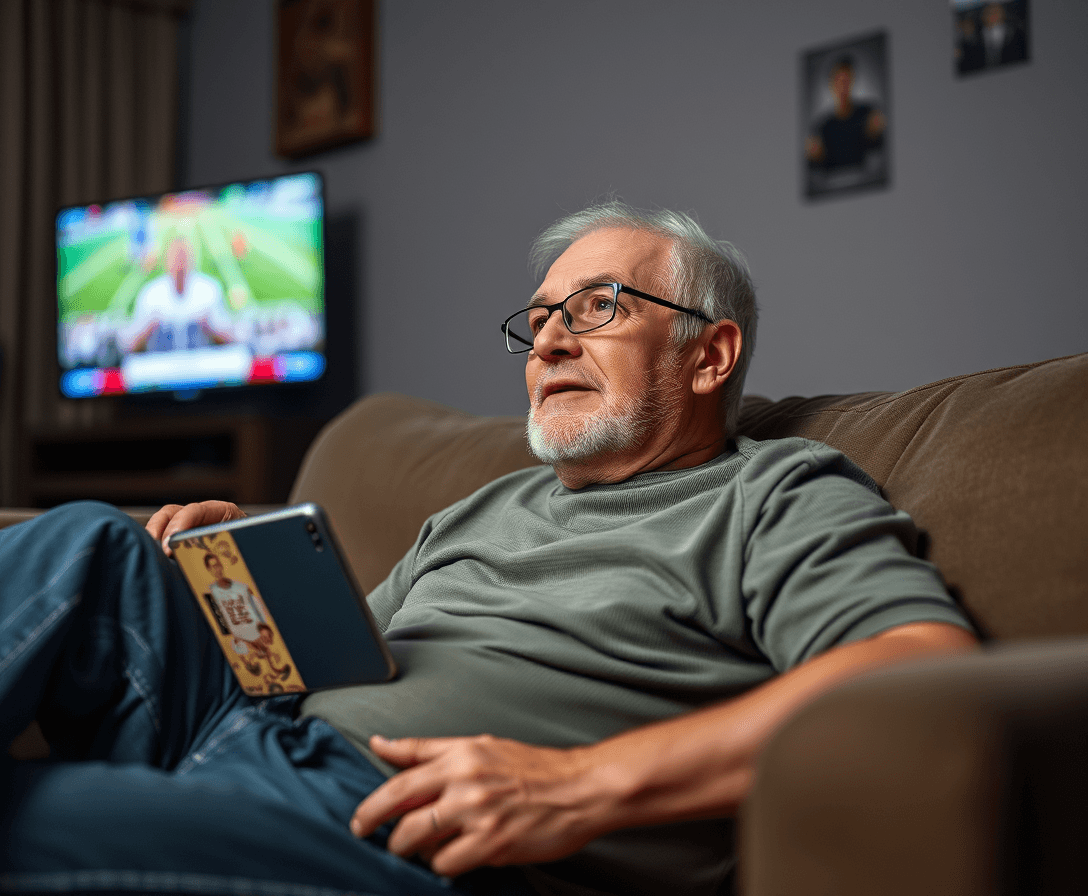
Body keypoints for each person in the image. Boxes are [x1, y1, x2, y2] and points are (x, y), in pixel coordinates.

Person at [0, 202, 977, 896]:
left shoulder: (773, 491)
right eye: (540, 318)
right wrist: (222, 587)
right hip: (252, 738)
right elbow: (321, 671)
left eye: (595, 307)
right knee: (96, 540)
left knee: (30, 818)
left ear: (708, 354)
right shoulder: (489, 505)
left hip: (407, 833)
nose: (548, 340)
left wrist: (578, 783)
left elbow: (917, 666)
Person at [123, 236, 234, 352]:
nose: (179, 264)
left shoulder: (210, 290)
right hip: (160, 364)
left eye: (183, 258)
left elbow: (230, 339)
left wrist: (210, 327)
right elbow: (130, 345)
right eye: (175, 259)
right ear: (166, 262)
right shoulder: (150, 294)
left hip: (202, 363)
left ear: (191, 261)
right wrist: (148, 328)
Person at [805, 54, 886, 173]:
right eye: (838, 80)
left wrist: (874, 135)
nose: (842, 86)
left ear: (852, 81)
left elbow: (878, 152)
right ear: (831, 84)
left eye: (846, 80)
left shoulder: (868, 113)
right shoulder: (822, 127)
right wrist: (816, 157)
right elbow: (818, 168)